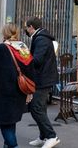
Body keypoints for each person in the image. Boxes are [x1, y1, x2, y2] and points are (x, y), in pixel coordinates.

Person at [0, 23, 34, 148]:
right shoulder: (23, 48)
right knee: (11, 121)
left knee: (5, 123)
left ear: (4, 33)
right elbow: (31, 69)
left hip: (2, 92)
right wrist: (29, 91)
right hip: (20, 91)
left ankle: (13, 145)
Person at [24, 17, 60, 148]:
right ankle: (43, 136)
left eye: (26, 27)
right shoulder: (40, 37)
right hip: (43, 78)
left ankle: (52, 136)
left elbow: (37, 60)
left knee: (36, 108)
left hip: (43, 79)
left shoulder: (41, 39)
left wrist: (24, 56)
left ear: (31, 27)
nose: (25, 30)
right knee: (41, 108)